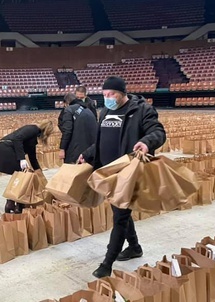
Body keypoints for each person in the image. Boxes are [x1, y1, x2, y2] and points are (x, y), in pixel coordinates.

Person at [79, 76, 166, 278]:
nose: (107, 98)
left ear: (122, 93)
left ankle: (107, 263)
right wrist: (88, 154)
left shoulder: (140, 110)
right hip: (108, 173)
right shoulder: (106, 111)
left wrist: (146, 142)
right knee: (121, 212)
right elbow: (102, 141)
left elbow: (158, 131)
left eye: (111, 94)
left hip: (127, 173)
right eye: (104, 94)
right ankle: (134, 247)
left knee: (120, 217)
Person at [0, 120, 54, 213]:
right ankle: (17, 204)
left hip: (8, 151)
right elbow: (17, 139)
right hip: (5, 151)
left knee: (21, 177)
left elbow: (32, 158)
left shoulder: (33, 138)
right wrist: (21, 158)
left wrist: (39, 172)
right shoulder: (33, 129)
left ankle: (13, 203)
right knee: (23, 176)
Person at [58, 93, 97, 164]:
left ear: (66, 103)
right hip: (89, 151)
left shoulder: (69, 110)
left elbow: (67, 131)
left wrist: (62, 148)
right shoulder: (88, 110)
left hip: (75, 152)